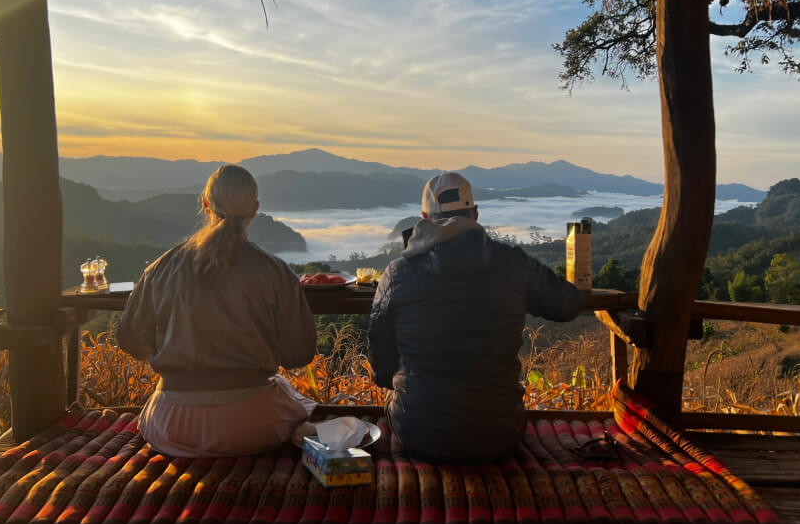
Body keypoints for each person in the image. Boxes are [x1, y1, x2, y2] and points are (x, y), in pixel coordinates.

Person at [368, 172, 583, 462]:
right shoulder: (514, 262)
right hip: (499, 433)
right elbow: (567, 306)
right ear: (476, 214)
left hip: (419, 434)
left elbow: (381, 363)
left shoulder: (398, 272)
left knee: (397, 399)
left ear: (424, 217)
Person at [117, 164, 317, 457]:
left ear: (206, 204)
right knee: (297, 401)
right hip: (251, 425)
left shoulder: (162, 268)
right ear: (255, 209)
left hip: (172, 426)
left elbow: (131, 341)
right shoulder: (274, 271)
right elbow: (299, 354)